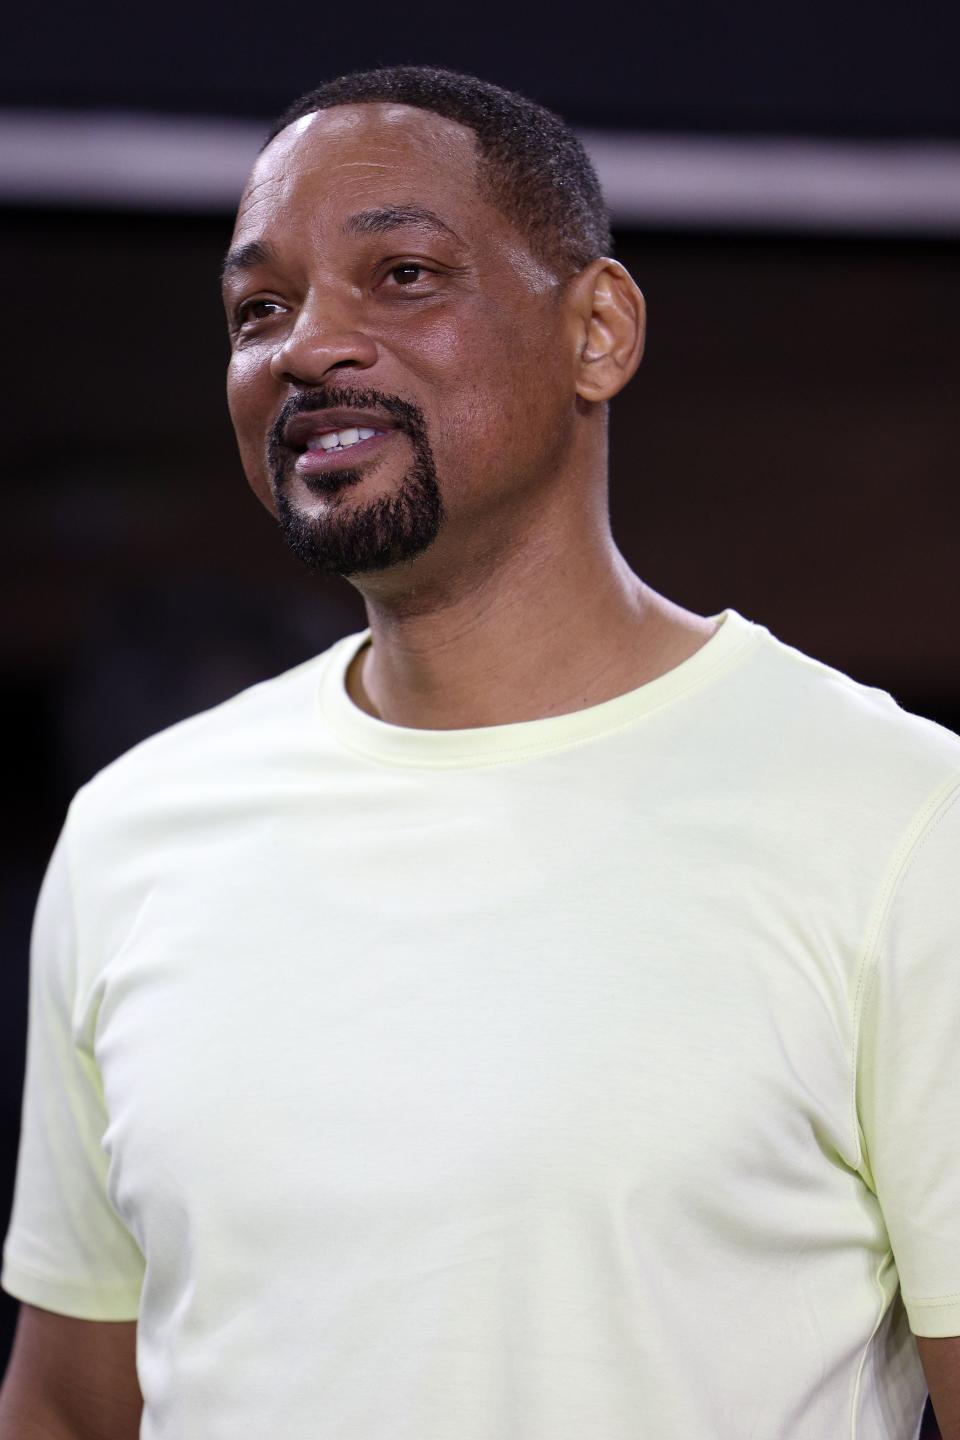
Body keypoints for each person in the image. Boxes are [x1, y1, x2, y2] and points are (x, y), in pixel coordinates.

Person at [0, 64, 958, 1440]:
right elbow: (74, 1410)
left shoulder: (902, 820)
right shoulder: (135, 828)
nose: (309, 344)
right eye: (258, 308)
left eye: (400, 275)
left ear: (599, 331)